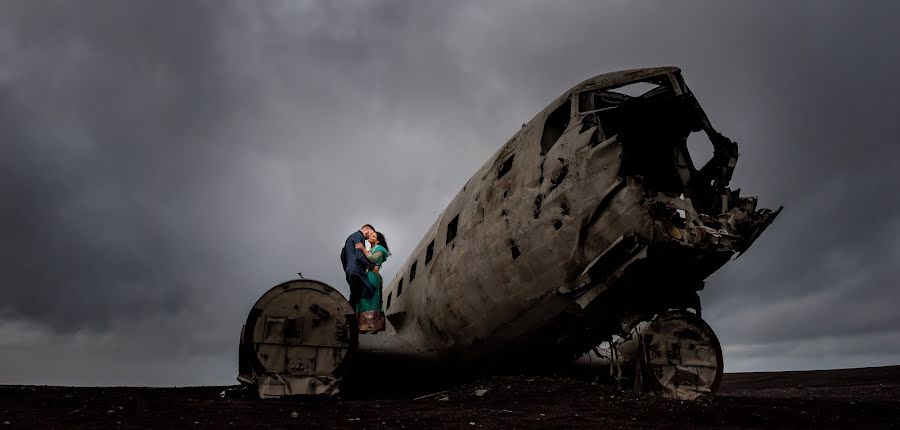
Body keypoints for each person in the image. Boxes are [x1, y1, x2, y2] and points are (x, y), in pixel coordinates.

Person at [354, 231, 390, 333]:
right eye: (371, 235)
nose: (370, 236)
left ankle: (372, 326)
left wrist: (362, 248)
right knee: (363, 299)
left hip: (373, 277)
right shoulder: (371, 249)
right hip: (367, 275)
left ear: (377, 241)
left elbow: (373, 259)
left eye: (373, 236)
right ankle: (362, 325)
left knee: (371, 299)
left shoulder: (380, 249)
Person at [340, 224, 378, 308]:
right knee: (369, 292)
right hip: (357, 272)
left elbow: (342, 255)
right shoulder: (359, 236)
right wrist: (372, 266)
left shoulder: (350, 237)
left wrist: (348, 268)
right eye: (371, 233)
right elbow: (359, 255)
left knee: (354, 298)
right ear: (367, 229)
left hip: (351, 272)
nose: (369, 238)